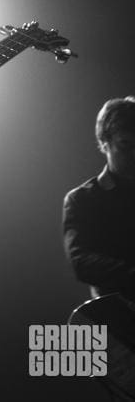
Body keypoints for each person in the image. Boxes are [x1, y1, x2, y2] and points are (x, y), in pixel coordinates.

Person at [63, 96, 135, 299]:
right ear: (104, 143)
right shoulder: (82, 200)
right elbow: (81, 261)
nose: (134, 153)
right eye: (125, 144)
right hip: (118, 313)